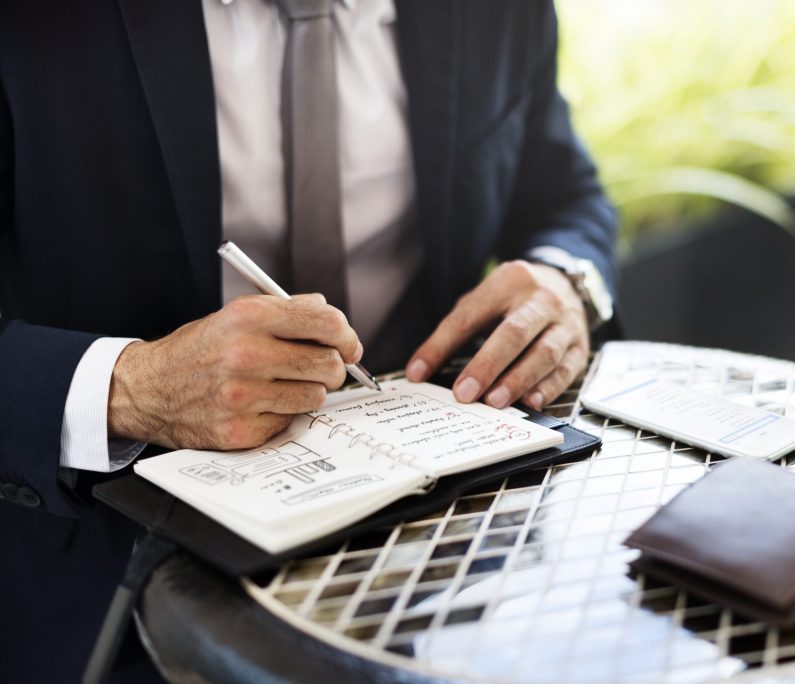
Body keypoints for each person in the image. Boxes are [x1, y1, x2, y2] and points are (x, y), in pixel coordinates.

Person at [0, 0, 617, 679]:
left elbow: (563, 192)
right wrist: (131, 388)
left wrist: (565, 279)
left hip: (454, 555)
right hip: (105, 585)